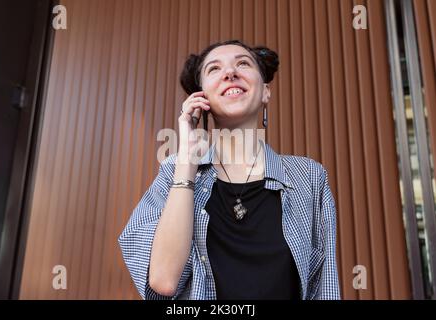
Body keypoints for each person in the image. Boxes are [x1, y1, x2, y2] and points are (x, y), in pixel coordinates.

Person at [119, 39, 340, 300]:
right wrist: (187, 162)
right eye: (214, 69)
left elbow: (325, 286)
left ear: (266, 91)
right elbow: (164, 281)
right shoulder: (173, 171)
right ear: (201, 97)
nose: (230, 73)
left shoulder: (309, 177)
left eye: (243, 64)